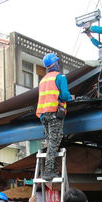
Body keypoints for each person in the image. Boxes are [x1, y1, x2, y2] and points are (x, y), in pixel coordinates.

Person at [36, 52, 73, 181]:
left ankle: (52, 170)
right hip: (54, 113)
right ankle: (48, 171)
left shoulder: (43, 80)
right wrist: (70, 98)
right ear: (55, 64)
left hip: (43, 115)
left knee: (50, 142)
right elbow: (64, 95)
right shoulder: (60, 77)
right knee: (54, 142)